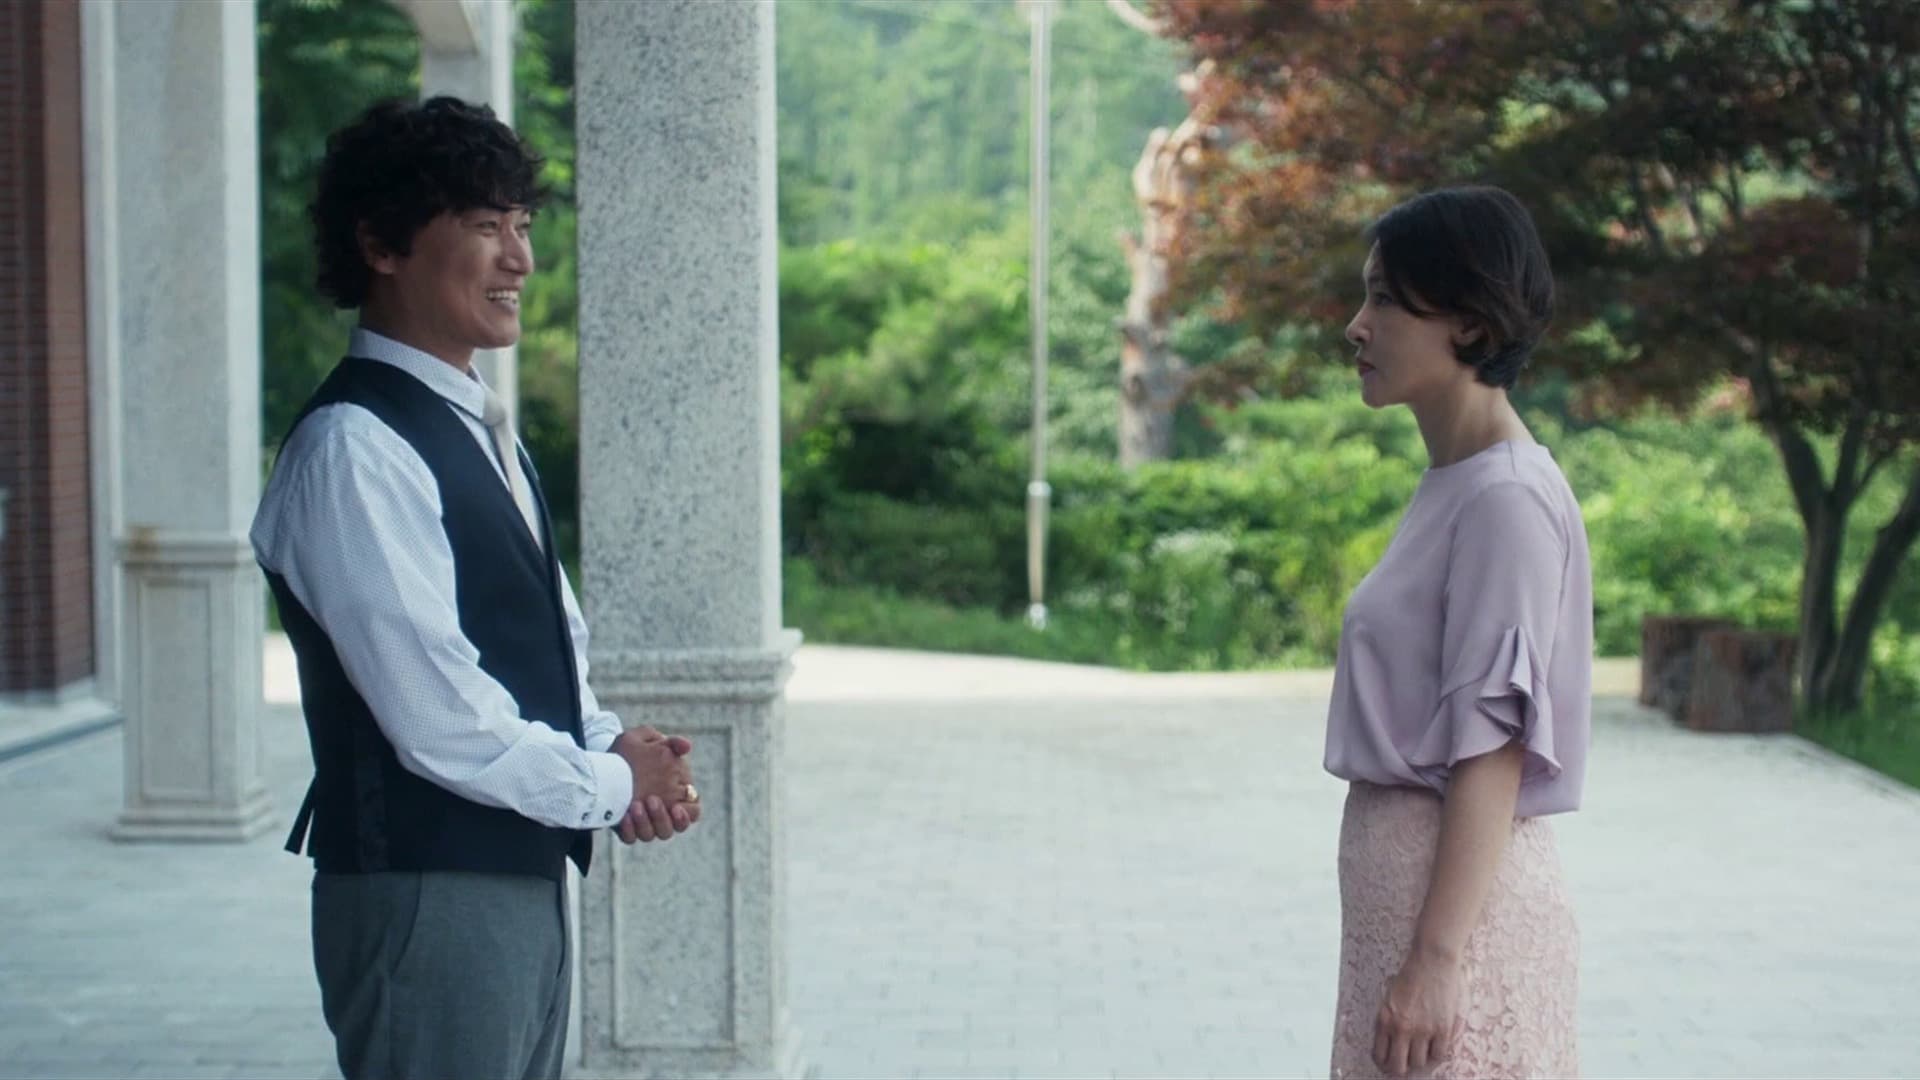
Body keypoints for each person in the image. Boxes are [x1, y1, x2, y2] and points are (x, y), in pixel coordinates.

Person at [250, 96, 700, 1080]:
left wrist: (609, 749)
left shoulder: (479, 426)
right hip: (427, 896)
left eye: (523, 224)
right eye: (486, 225)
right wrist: (613, 784)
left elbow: (551, 642)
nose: (520, 259)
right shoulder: (354, 447)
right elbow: (441, 718)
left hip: (513, 880)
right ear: (381, 244)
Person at [1322, 186, 1592, 1079]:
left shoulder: (1504, 498)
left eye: (1386, 300)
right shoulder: (1461, 481)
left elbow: (1495, 747)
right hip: (1410, 916)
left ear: (1471, 323)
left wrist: (1436, 962)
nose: (1357, 326)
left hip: (1456, 933)